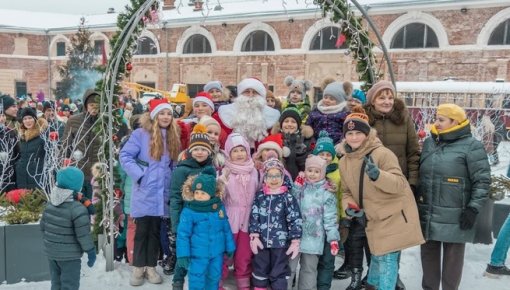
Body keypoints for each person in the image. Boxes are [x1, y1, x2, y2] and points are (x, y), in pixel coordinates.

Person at [337, 106, 424, 290]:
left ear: (367, 134)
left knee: (387, 262)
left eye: (358, 132)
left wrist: (378, 176)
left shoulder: (382, 154)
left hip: (392, 215)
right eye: (350, 133)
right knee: (377, 259)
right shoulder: (344, 161)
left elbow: (400, 184)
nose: (353, 137)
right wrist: (349, 206)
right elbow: (346, 191)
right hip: (371, 218)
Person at [418, 103, 490, 290]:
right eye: (436, 119)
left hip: (457, 216)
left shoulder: (472, 146)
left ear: (455, 122)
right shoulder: (429, 143)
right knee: (428, 261)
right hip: (428, 214)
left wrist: (473, 208)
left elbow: (482, 181)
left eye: (441, 120)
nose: (436, 123)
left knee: (452, 265)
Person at [364, 80, 421, 289]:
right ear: (372, 100)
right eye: (382, 97)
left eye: (390, 97)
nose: (387, 101)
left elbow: (413, 153)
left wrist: (413, 183)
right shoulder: (365, 120)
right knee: (374, 235)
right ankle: (375, 277)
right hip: (371, 187)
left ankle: (391, 277)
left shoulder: (403, 119)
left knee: (395, 237)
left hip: (397, 187)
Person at [119, 98, 181, 286]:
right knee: (142, 230)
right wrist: (140, 175)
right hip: (145, 190)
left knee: (155, 230)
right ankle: (138, 268)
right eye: (162, 113)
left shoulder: (173, 135)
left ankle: (152, 267)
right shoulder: (140, 134)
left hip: (162, 192)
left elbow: (173, 163)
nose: (165, 116)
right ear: (154, 115)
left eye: (169, 113)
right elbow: (125, 156)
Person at [176, 166, 236, 290]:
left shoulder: (218, 208)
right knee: (197, 278)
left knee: (214, 277)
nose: (199, 196)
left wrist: (230, 246)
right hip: (197, 254)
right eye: (196, 192)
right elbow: (183, 234)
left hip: (216, 253)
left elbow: (226, 228)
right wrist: (183, 254)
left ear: (212, 193)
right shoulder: (189, 211)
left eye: (203, 193)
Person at [170, 123, 214, 290]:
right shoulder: (182, 170)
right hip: (186, 219)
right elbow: (175, 198)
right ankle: (178, 281)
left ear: (209, 151)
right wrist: (175, 225)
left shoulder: (211, 169)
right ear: (190, 151)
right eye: (196, 149)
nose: (200, 152)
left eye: (203, 149)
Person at [249, 158, 302, 290]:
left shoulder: (288, 197)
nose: (274, 179)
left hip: (280, 243)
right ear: (265, 178)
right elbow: (254, 216)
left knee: (279, 270)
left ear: (282, 177)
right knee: (260, 268)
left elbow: (295, 218)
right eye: (270, 176)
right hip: (262, 242)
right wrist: (254, 235)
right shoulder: (260, 196)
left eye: (277, 175)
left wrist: (295, 239)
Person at [288, 155, 340, 290]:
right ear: (305, 170)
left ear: (322, 173)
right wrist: (296, 187)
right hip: (294, 237)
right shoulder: (301, 187)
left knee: (309, 270)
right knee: (288, 268)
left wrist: (333, 239)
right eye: (309, 170)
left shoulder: (326, 193)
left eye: (317, 171)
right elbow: (290, 204)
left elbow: (330, 218)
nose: (312, 174)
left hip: (313, 239)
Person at [40, 166, 96, 290]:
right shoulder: (78, 209)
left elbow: (43, 227)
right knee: (70, 285)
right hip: (70, 257)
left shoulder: (50, 204)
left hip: (52, 254)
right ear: (77, 186)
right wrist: (91, 251)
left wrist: (52, 244)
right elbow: (83, 235)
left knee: (56, 284)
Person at [220, 133, 259, 290]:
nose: (239, 154)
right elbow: (220, 195)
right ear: (229, 153)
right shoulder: (225, 171)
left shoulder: (254, 171)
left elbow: (264, 188)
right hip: (230, 217)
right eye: (235, 151)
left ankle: (243, 279)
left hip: (249, 218)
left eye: (242, 150)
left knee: (245, 253)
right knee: (225, 251)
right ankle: (218, 280)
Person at [313, 131, 344, 289]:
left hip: (332, 224)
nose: (324, 157)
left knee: (327, 258)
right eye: (321, 154)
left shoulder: (339, 173)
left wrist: (342, 218)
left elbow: (342, 196)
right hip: (312, 223)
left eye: (328, 154)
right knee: (311, 259)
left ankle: (323, 286)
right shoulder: (310, 172)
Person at [214, 77, 280, 148]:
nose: (250, 95)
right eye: (247, 92)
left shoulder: (272, 115)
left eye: (255, 92)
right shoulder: (225, 112)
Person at [62, 89, 102, 199]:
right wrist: (64, 165)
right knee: (78, 204)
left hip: (97, 171)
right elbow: (66, 145)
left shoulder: (104, 122)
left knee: (94, 206)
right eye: (91, 105)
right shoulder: (74, 121)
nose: (94, 108)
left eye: (97, 105)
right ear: (85, 105)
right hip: (78, 169)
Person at [271, 106, 314, 180]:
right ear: (281, 124)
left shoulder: (306, 140)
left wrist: (301, 154)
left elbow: (309, 166)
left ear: (298, 125)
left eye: (293, 122)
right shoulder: (274, 140)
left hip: (300, 181)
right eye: (286, 121)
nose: (289, 124)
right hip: (279, 182)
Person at [306, 80, 349, 144]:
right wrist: (312, 141)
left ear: (339, 101)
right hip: (317, 144)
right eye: (325, 97)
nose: (327, 100)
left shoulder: (344, 114)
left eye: (331, 99)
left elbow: (346, 130)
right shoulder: (316, 111)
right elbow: (308, 126)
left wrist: (341, 143)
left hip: (336, 144)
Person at [15, 107, 48, 190]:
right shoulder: (21, 137)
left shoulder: (42, 135)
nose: (28, 121)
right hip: (22, 176)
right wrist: (18, 165)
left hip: (38, 175)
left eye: (30, 118)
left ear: (35, 119)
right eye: (25, 119)